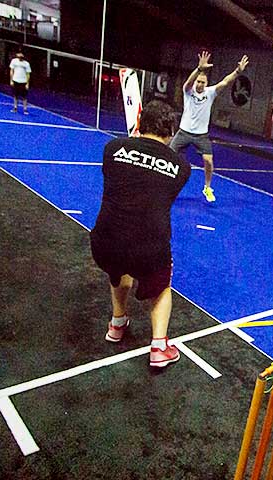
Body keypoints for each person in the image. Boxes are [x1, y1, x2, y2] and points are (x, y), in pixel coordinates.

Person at [90, 100, 190, 368]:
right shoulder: (181, 167)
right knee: (161, 288)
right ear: (170, 130)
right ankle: (159, 347)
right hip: (148, 248)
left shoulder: (112, 149)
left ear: (140, 122)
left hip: (104, 242)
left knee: (118, 270)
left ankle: (117, 324)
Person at [170, 50, 249, 202]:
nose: (199, 84)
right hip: (183, 133)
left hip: (201, 135)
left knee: (208, 161)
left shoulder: (210, 92)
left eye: (202, 82)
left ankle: (207, 187)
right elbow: (188, 82)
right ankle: (164, 184)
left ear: (206, 84)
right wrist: (199, 69)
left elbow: (226, 81)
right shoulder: (188, 91)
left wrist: (238, 71)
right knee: (168, 155)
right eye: (198, 81)